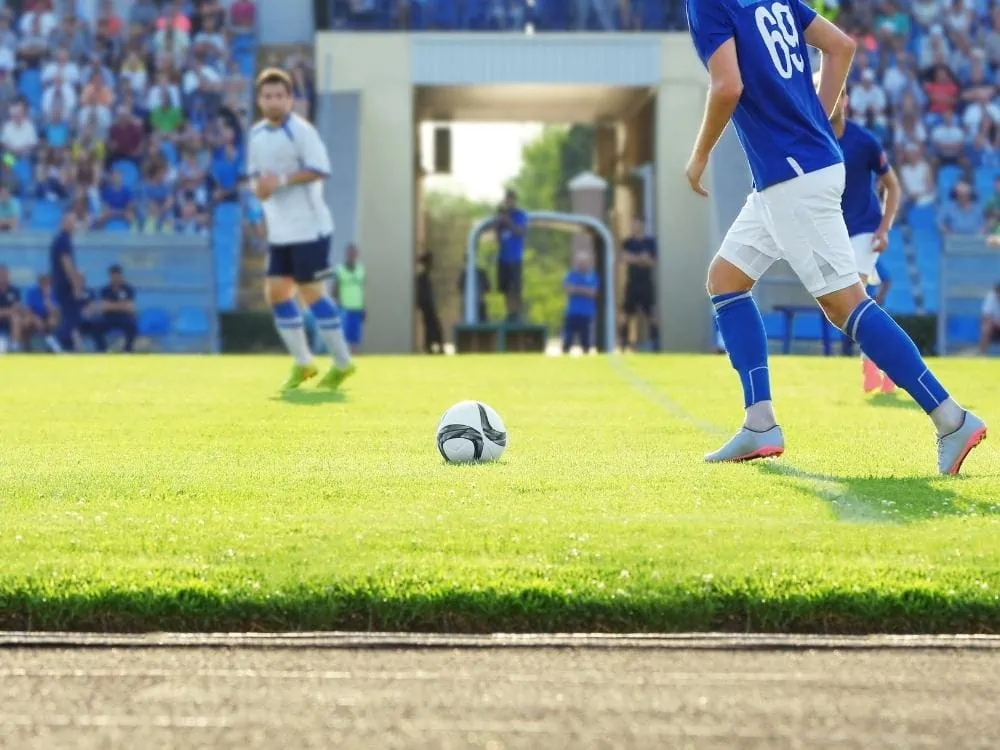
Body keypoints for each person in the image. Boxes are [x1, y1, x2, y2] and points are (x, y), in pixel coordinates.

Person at [685, 0, 986, 474]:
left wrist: (699, 154)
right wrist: (814, 123)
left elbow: (728, 86)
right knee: (726, 279)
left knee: (845, 303)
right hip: (793, 173)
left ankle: (951, 418)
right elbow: (840, 46)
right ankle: (759, 422)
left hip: (791, 177)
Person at [247, 67, 354, 390]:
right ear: (259, 100)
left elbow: (320, 169)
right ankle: (305, 363)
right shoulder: (256, 135)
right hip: (280, 232)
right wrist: (260, 191)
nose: (274, 101)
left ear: (290, 99)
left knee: (310, 293)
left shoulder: (302, 131)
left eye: (280, 95)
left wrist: (280, 181)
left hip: (310, 229)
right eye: (268, 96)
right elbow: (257, 178)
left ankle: (343, 362)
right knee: (277, 294)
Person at [822, 74, 902, 395]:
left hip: (866, 232)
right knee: (848, 305)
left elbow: (893, 187)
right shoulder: (814, 139)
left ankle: (876, 365)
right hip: (835, 236)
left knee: (855, 298)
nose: (832, 101)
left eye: (838, 95)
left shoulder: (865, 141)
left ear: (846, 101)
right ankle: (887, 362)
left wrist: (884, 229)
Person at [620, 216, 660, 351]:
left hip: (646, 283)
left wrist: (638, 259)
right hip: (632, 283)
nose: (634, 227)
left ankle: (655, 343)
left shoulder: (650, 242)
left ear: (642, 225)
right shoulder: (627, 242)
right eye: (632, 224)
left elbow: (652, 262)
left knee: (651, 314)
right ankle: (623, 343)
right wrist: (641, 258)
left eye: (636, 224)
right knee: (626, 313)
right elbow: (625, 258)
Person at [50, 212, 85, 351]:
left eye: (74, 222)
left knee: (68, 316)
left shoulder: (61, 240)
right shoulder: (63, 240)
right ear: (63, 223)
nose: (73, 225)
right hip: (65, 284)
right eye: (70, 222)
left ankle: (66, 346)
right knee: (72, 317)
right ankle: (56, 338)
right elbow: (67, 264)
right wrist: (76, 284)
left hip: (60, 283)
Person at [494, 189, 527, 322]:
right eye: (507, 199)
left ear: (515, 200)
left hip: (515, 258)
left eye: (511, 199)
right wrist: (499, 221)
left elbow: (520, 231)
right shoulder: (501, 215)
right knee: (506, 288)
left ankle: (517, 313)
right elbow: (497, 238)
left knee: (515, 288)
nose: (508, 201)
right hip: (503, 258)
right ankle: (509, 313)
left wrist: (508, 221)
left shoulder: (520, 215)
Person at [562, 249, 599, 354]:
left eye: (584, 262)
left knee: (585, 341)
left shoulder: (593, 276)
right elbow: (568, 290)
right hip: (572, 313)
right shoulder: (571, 275)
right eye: (580, 262)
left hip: (587, 313)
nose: (582, 264)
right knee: (568, 339)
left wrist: (577, 289)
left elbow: (593, 293)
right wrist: (584, 290)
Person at [96, 264, 138, 352]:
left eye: (117, 276)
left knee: (132, 325)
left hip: (124, 317)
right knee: (96, 326)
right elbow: (104, 307)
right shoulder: (105, 290)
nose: (115, 278)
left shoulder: (128, 289)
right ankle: (102, 350)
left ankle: (127, 350)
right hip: (108, 317)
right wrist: (121, 305)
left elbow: (130, 307)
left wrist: (112, 305)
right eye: (113, 276)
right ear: (110, 276)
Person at [332, 243, 365, 353]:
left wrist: (364, 307)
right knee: (344, 335)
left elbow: (361, 289)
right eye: (349, 253)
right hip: (344, 307)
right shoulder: (340, 270)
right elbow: (334, 290)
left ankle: (353, 356)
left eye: (353, 253)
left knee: (354, 337)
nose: (351, 255)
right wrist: (337, 303)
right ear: (346, 254)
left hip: (357, 307)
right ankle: (343, 356)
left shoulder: (360, 269)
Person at [22, 273, 61, 352]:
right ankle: (25, 346)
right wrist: (35, 318)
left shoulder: (53, 292)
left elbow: (56, 311)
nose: (44, 283)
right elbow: (27, 309)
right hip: (34, 316)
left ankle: (51, 341)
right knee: (26, 320)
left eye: (46, 281)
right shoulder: (31, 291)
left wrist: (47, 298)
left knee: (53, 320)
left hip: (47, 316)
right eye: (42, 281)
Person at [416, 251, 443, 354]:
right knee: (432, 325)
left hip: (427, 305)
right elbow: (423, 293)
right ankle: (432, 345)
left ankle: (431, 345)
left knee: (430, 326)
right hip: (427, 305)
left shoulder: (423, 276)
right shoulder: (422, 277)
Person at [0, 264, 22, 353]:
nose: (2, 276)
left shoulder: (14, 290)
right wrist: (8, 311)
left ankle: (15, 346)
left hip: (9, 320)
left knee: (16, 318)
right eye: (1, 273)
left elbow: (16, 308)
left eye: (4, 273)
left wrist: (4, 312)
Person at [981, 281, 1000, 355]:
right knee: (986, 328)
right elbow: (985, 317)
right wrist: (996, 323)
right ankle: (983, 355)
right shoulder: (991, 297)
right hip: (994, 326)